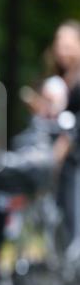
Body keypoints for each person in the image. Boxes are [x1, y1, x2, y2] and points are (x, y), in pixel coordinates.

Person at [49, 20, 80, 263]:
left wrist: (67, 140)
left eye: (68, 45)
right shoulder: (65, 78)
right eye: (59, 45)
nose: (62, 51)